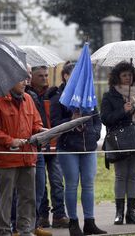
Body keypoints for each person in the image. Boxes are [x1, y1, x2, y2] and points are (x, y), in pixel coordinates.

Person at [0, 77, 43, 236]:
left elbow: (35, 123)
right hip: (6, 160)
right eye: (21, 80)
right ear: (10, 80)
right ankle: (4, 232)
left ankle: (26, 231)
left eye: (26, 80)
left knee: (28, 198)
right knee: (6, 200)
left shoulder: (28, 99)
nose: (26, 83)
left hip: (28, 158)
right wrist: (10, 141)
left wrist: (42, 131)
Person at [50, 63, 106, 235]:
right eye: (75, 74)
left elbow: (97, 119)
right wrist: (70, 121)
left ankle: (90, 221)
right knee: (72, 185)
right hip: (68, 148)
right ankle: (73, 223)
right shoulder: (58, 97)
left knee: (88, 185)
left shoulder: (88, 95)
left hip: (88, 147)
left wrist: (95, 134)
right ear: (66, 76)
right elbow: (54, 124)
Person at [101, 61, 135, 225]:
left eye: (130, 74)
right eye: (124, 75)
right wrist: (123, 111)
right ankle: (119, 213)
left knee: (133, 176)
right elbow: (105, 119)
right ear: (117, 77)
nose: (128, 78)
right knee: (121, 176)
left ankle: (132, 212)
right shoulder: (110, 96)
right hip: (119, 141)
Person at [29, 66, 69, 230]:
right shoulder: (27, 95)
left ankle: (59, 215)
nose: (44, 78)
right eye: (40, 76)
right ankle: (42, 216)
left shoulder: (53, 94)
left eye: (46, 75)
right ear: (31, 77)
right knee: (40, 184)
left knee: (57, 181)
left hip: (53, 143)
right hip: (37, 144)